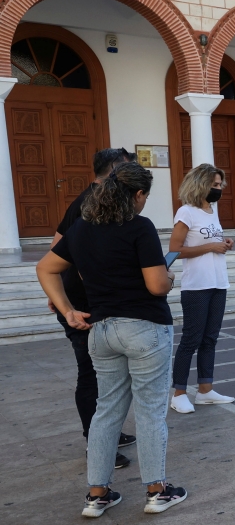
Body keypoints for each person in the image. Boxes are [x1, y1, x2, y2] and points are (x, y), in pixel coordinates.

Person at [36, 162, 187, 518]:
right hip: (144, 327)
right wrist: (168, 277)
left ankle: (97, 494)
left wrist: (68, 311)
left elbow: (45, 268)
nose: (145, 202)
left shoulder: (81, 229)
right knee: (150, 411)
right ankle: (157, 490)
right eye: (146, 195)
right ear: (137, 195)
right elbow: (155, 286)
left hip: (101, 331)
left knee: (106, 411)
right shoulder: (139, 228)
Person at [49, 147, 136, 470]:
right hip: (85, 306)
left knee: (106, 375)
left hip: (81, 300)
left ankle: (108, 432)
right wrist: (64, 299)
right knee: (92, 374)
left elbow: (56, 243)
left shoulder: (90, 199)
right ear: (113, 173)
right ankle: (96, 443)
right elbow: (86, 261)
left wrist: (57, 289)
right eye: (128, 172)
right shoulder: (91, 204)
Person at [168, 164, 235, 414]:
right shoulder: (186, 212)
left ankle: (206, 390)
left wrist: (224, 241)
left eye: (220, 185)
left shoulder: (211, 211)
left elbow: (210, 239)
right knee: (191, 339)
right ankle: (179, 393)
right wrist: (210, 247)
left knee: (210, 338)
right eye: (214, 185)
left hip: (219, 282)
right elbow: (175, 250)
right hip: (197, 286)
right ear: (200, 184)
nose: (218, 189)